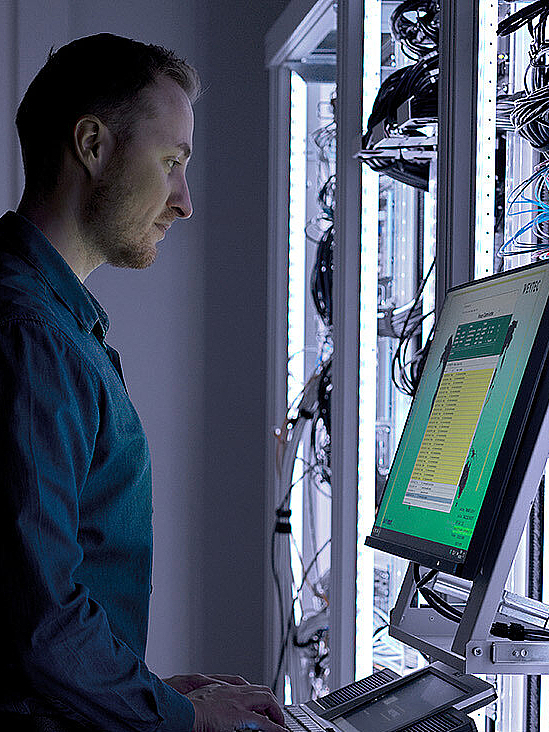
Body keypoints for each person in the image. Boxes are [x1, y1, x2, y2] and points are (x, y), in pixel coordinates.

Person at [0, 33, 286, 732]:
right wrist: (180, 719)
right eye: (171, 162)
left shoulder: (55, 323)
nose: (184, 202)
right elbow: (38, 618)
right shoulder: (31, 334)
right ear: (92, 145)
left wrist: (147, 694)